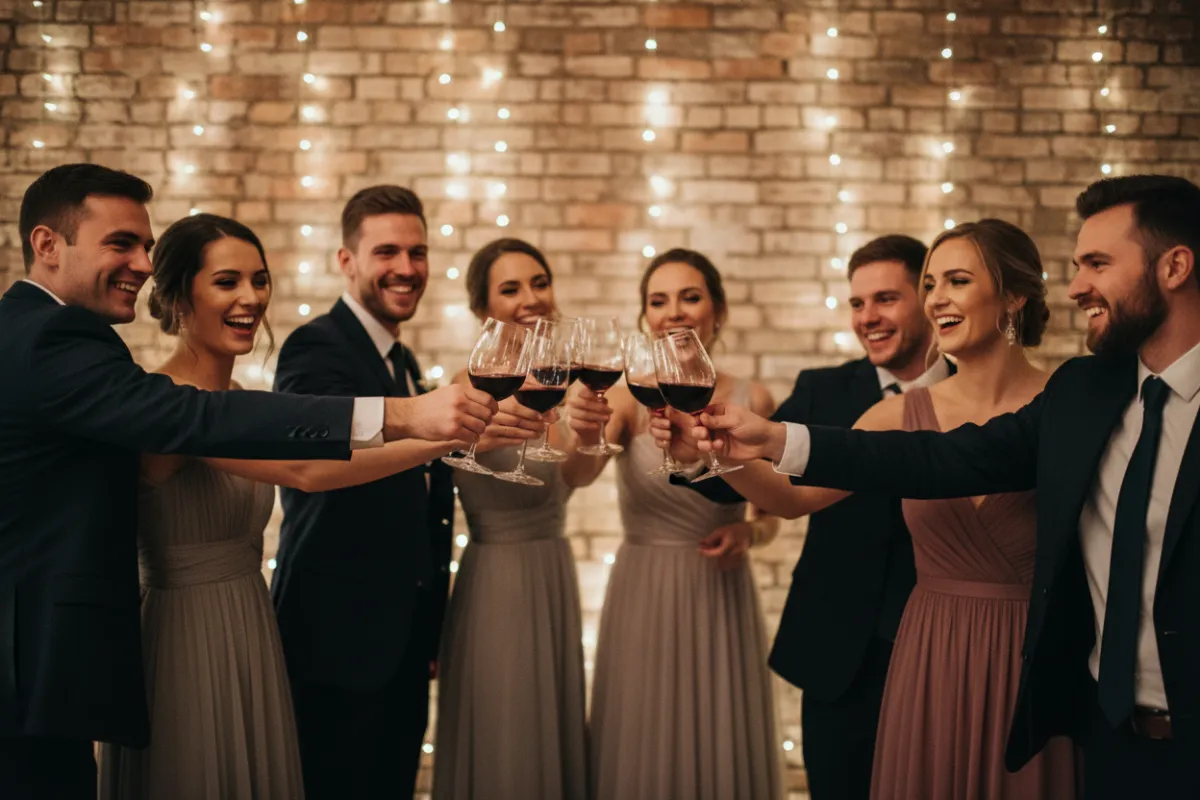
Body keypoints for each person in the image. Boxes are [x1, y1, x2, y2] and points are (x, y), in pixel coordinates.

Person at [667, 175, 1200, 799]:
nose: (1080, 283)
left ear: (1012, 298)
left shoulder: (1072, 396)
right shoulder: (1087, 396)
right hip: (937, 659)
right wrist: (754, 442)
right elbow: (928, 460)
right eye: (929, 285)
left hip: (1037, 671)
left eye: (1098, 263)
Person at [0, 164, 496, 799]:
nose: (141, 262)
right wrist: (416, 420)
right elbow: (285, 460)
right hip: (126, 644)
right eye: (121, 243)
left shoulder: (76, 347)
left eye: (147, 246)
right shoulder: (63, 341)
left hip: (241, 626)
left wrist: (444, 430)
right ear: (47, 245)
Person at [97, 214, 534, 799]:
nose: (250, 298)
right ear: (178, 295)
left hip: (250, 625)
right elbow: (309, 470)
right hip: (187, 637)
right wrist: (443, 433)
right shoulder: (168, 408)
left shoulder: (244, 404)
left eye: (259, 280)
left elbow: (332, 461)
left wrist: (456, 435)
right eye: (227, 282)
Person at [269, 186, 530, 798]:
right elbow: (321, 459)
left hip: (403, 641)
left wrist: (429, 625)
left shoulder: (403, 361)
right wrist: (454, 435)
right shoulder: (316, 348)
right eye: (387, 251)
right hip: (337, 638)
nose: (408, 269)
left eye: (418, 252)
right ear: (346, 260)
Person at [675, 235, 949, 800]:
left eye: (885, 299)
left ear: (928, 297)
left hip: (948, 651)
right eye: (856, 303)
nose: (868, 317)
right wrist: (702, 454)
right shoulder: (822, 390)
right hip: (838, 653)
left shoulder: (974, 395)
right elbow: (775, 492)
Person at [564, 248, 784, 799]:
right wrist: (586, 434)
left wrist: (749, 534)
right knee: (643, 733)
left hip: (720, 590)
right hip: (644, 589)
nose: (674, 312)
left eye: (690, 296)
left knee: (720, 736)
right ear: (645, 318)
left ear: (718, 311)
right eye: (658, 301)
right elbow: (577, 475)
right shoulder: (628, 399)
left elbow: (773, 511)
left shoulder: (751, 399)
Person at [433, 238, 588, 800]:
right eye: (511, 288)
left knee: (552, 721)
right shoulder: (462, 388)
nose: (531, 298)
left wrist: (590, 434)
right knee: (506, 726)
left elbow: (572, 478)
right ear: (482, 312)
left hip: (554, 568)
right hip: (495, 577)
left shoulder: (561, 383)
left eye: (539, 283)